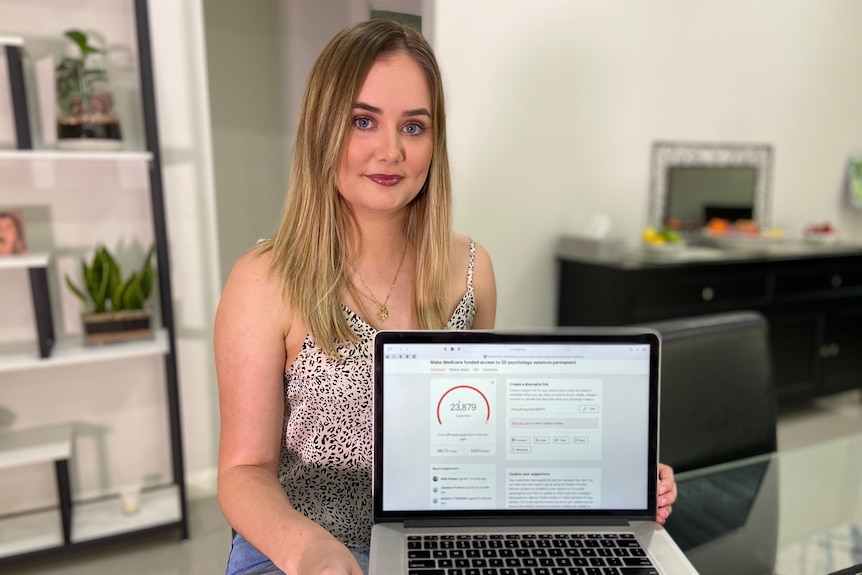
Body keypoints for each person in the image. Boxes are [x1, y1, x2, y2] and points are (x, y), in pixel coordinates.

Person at [215, 19, 676, 575]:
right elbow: (244, 470)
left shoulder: (472, 271)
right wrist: (309, 550)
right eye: (364, 121)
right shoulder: (265, 280)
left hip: (433, 542)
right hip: (297, 547)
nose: (391, 151)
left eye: (414, 127)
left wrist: (609, 481)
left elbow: (480, 440)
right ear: (322, 128)